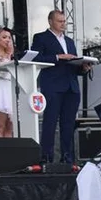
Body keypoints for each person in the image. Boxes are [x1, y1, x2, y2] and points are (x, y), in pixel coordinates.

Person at [30, 10, 90, 164]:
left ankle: (67, 158)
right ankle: (47, 158)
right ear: (50, 21)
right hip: (53, 86)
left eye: (64, 21)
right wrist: (58, 57)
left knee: (68, 124)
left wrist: (82, 68)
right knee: (50, 122)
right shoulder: (41, 38)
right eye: (60, 21)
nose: (63, 24)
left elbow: (72, 66)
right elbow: (35, 58)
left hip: (71, 87)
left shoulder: (69, 41)